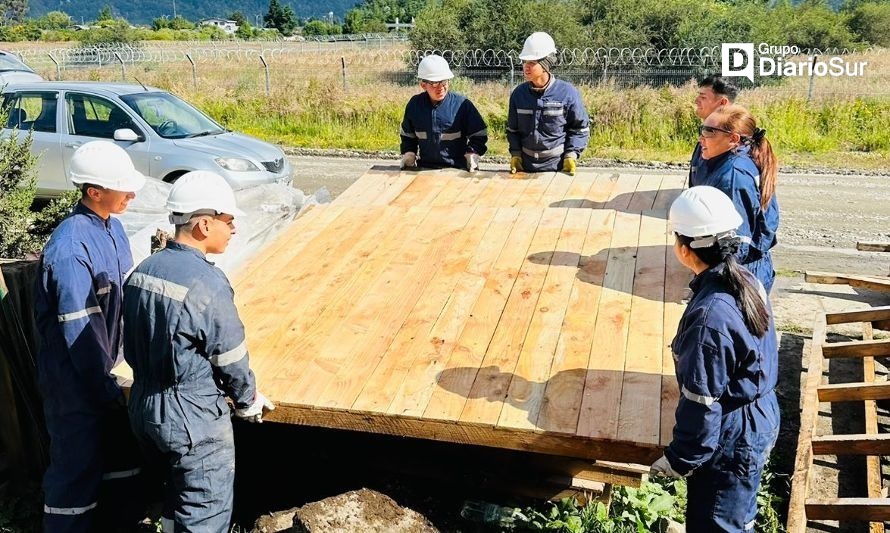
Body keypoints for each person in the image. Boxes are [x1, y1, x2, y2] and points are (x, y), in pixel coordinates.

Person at [122, 170, 274, 531]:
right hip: (191, 418)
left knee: (175, 498)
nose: (234, 229)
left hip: (144, 407)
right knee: (203, 512)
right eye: (228, 220)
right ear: (204, 224)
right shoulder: (207, 282)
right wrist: (248, 398)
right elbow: (230, 355)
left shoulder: (143, 270)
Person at [650, 186, 779, 532]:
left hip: (733, 435)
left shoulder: (711, 316)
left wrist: (679, 460)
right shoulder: (746, 280)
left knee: (721, 521)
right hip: (758, 414)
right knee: (731, 510)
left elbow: (702, 402)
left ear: (684, 249)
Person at [34, 140, 147, 532]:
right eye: (122, 187)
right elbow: (79, 329)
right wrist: (104, 387)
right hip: (75, 384)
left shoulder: (113, 228)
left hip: (109, 374)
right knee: (75, 472)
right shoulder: (69, 248)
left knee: (119, 462)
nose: (131, 193)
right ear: (93, 192)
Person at [696, 104, 780, 293]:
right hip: (746, 270)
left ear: (734, 139)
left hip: (739, 276)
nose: (701, 138)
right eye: (702, 129)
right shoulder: (737, 160)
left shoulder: (733, 175)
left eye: (709, 131)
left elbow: (736, 245)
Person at [506, 31, 589, 175]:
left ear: (545, 64)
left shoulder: (567, 93)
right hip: (525, 168)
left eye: (532, 62)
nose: (526, 66)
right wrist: (516, 154)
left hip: (557, 169)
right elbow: (513, 130)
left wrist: (571, 155)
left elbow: (579, 128)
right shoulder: (518, 95)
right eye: (524, 62)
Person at [400, 54, 488, 172]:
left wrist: (473, 154)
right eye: (435, 83)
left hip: (457, 170)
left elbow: (479, 134)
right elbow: (408, 136)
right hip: (425, 169)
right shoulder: (415, 106)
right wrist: (409, 153)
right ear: (423, 85)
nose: (440, 88)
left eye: (444, 82)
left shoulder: (461, 105)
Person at [689, 75, 739, 186]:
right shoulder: (712, 133)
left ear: (722, 103)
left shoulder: (730, 141)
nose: (696, 101)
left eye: (703, 97)